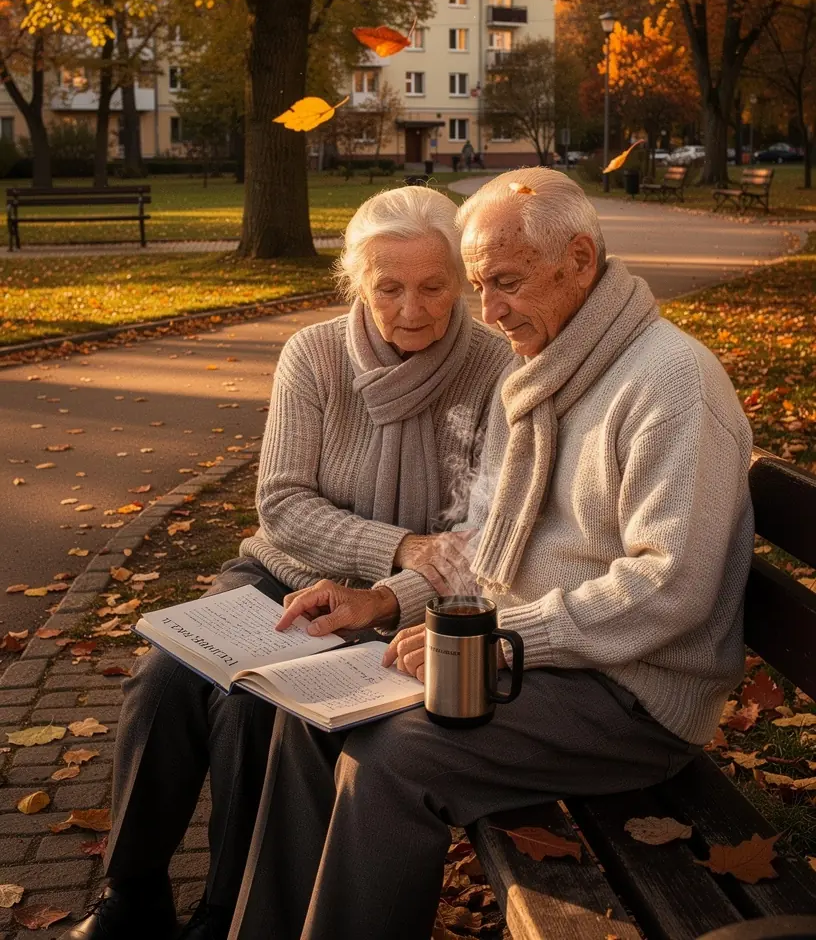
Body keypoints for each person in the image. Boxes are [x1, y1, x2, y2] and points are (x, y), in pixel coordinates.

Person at [230, 167, 755, 940]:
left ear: (578, 260)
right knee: (308, 715)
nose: (489, 311)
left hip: (632, 697)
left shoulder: (670, 383)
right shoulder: (545, 369)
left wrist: (504, 645)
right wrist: (387, 599)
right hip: (538, 662)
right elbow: (494, 543)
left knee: (389, 757)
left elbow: (669, 585)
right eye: (479, 286)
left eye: (505, 282)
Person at [61, 186, 510, 940]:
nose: (412, 308)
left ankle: (228, 913)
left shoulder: (495, 369)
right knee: (164, 675)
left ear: (461, 282)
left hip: (393, 604)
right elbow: (284, 504)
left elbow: (482, 537)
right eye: (389, 287)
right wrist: (397, 543)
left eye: (434, 286)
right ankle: (132, 894)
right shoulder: (315, 354)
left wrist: (390, 586)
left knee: (252, 707)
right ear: (357, 284)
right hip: (279, 573)